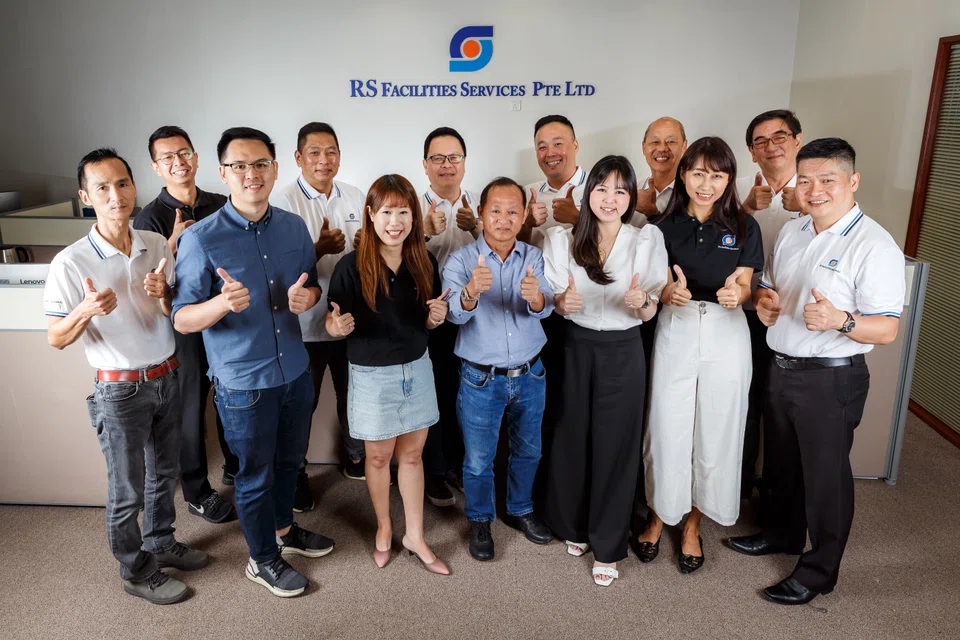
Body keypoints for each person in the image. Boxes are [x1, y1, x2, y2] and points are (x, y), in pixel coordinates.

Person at [727, 138, 904, 605]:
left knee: (825, 477)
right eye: (805, 180)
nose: (815, 190)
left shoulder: (874, 244)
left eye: (828, 180)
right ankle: (783, 533)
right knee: (783, 465)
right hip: (783, 367)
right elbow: (768, 286)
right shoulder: (795, 230)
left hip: (831, 377)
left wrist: (841, 321)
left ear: (853, 182)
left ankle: (820, 570)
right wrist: (764, 303)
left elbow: (886, 329)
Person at [172, 127, 334, 598]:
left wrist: (309, 297)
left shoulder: (292, 226)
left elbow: (312, 287)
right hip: (244, 383)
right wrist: (221, 305)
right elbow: (182, 319)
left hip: (295, 373)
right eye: (239, 166)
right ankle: (262, 559)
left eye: (260, 164)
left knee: (289, 463)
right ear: (223, 173)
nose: (251, 174)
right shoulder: (201, 240)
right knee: (255, 474)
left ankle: (284, 533)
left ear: (275, 168)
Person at [45, 148, 208, 604]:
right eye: (102, 187)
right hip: (119, 389)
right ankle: (135, 570)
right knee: (127, 488)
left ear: (134, 187)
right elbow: (57, 337)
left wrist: (163, 294)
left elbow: (169, 312)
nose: (115, 195)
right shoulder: (71, 262)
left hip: (167, 375)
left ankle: (160, 541)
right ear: (85, 196)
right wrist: (85, 309)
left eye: (122, 184)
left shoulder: (154, 244)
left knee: (165, 473)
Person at [638, 137, 763, 574]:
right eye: (697, 174)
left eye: (717, 175)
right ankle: (658, 516)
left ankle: (692, 524)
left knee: (717, 429)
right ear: (684, 174)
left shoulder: (745, 226)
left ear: (729, 178)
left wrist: (738, 293)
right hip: (677, 325)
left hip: (728, 333)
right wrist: (666, 291)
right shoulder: (660, 225)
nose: (706, 184)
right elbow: (651, 286)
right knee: (667, 425)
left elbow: (746, 285)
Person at [542, 156, 667, 586]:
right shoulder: (561, 239)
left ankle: (609, 544)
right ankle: (574, 526)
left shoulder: (646, 238)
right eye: (601, 188)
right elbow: (556, 299)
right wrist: (562, 305)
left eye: (619, 190)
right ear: (586, 192)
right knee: (572, 437)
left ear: (631, 196)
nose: (609, 198)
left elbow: (651, 308)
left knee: (616, 445)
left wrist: (644, 304)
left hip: (622, 350)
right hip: (575, 347)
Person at [326, 174, 451, 575]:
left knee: (412, 456)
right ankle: (384, 527)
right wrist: (337, 328)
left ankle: (415, 535)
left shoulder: (424, 261)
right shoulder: (350, 266)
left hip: (417, 370)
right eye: (386, 212)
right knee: (378, 459)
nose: (394, 221)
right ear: (370, 215)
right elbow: (332, 323)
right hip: (371, 375)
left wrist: (436, 318)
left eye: (403, 212)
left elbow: (429, 322)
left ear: (414, 217)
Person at [442, 176, 555, 562]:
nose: (503, 219)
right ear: (481, 214)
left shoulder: (534, 257)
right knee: (477, 459)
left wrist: (537, 297)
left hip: (531, 372)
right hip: (480, 378)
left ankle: (521, 509)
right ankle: (479, 519)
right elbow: (454, 316)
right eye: (495, 211)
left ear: (524, 216)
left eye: (512, 211)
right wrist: (472, 291)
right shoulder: (460, 261)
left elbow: (545, 306)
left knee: (529, 451)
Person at [133, 125, 237, 524]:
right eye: (168, 158)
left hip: (224, 317)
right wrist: (172, 245)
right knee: (191, 410)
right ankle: (196, 490)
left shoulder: (219, 202)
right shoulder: (149, 217)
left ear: (196, 156)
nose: (178, 162)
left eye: (185, 153)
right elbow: (148, 285)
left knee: (230, 396)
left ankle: (234, 466)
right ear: (156, 167)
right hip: (183, 327)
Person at [271, 122, 366, 512]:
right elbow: (274, 268)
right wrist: (318, 248)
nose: (324, 160)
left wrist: (368, 247)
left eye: (331, 152)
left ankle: (355, 457)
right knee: (300, 407)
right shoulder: (282, 202)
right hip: (301, 329)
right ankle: (295, 475)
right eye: (315, 152)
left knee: (354, 398)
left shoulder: (358, 196)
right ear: (298, 158)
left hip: (350, 322)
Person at [736, 110, 804, 501]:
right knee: (745, 401)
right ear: (751, 151)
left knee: (781, 410)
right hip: (745, 312)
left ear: (796, 140)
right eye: (760, 141)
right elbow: (712, 240)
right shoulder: (738, 187)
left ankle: (777, 495)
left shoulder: (816, 189)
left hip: (796, 318)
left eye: (780, 136)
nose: (771, 146)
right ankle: (741, 485)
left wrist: (806, 207)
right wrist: (743, 210)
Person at [418, 126, 482, 506]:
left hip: (475, 316)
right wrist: (422, 234)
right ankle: (435, 472)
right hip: (431, 318)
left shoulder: (479, 205)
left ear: (464, 163)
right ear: (425, 165)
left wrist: (476, 228)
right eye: (438, 158)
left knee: (467, 395)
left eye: (453, 157)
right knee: (436, 395)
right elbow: (393, 257)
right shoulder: (410, 206)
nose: (446, 165)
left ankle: (459, 464)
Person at [520, 115, 587, 249]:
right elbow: (512, 252)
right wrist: (526, 225)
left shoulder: (601, 187)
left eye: (558, 144)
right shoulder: (526, 194)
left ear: (575, 146)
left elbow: (615, 241)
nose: (550, 154)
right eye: (542, 147)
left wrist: (578, 218)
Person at [635, 117, 688, 217]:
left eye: (671, 141)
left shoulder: (694, 194)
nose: (662, 148)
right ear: (644, 147)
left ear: (684, 146)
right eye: (655, 142)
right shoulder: (630, 190)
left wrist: (651, 212)